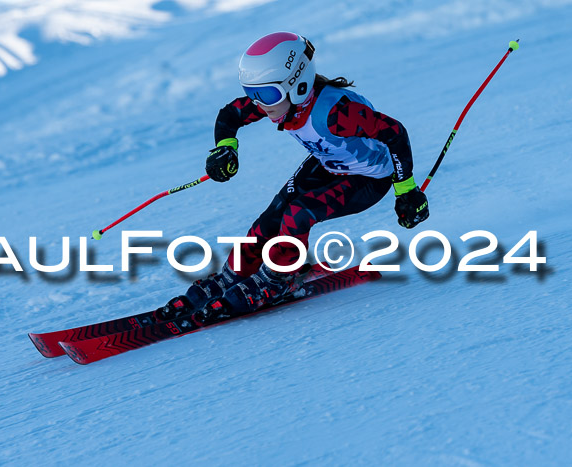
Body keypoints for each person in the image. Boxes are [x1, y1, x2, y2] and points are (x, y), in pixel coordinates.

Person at [158, 31, 428, 323]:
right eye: (252, 93)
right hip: (328, 163)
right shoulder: (280, 101)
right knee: (270, 219)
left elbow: (394, 132)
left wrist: (407, 191)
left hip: (367, 178)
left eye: (266, 94)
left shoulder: (337, 114)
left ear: (297, 84)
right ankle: (232, 275)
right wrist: (226, 148)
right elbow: (230, 115)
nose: (259, 104)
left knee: (299, 213)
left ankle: (278, 279)